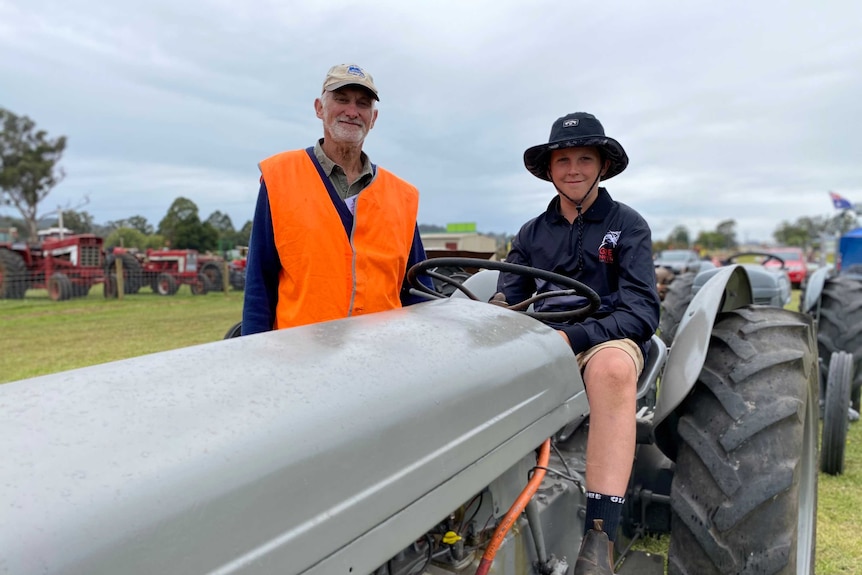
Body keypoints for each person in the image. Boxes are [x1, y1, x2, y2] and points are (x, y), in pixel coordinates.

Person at [492, 112, 660, 571]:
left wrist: (577, 336)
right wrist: (499, 306)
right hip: (546, 334)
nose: (573, 169)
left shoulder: (627, 225)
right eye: (562, 159)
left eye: (584, 158)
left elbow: (641, 311)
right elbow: (513, 295)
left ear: (602, 165)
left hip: (608, 334)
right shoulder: (530, 232)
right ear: (549, 169)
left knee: (611, 369)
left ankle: (599, 535)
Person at [242, 64, 428, 335]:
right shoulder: (280, 176)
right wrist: (255, 356)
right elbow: (260, 282)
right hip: (301, 360)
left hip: (382, 361)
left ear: (373, 118)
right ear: (319, 108)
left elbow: (418, 289)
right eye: (341, 100)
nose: (352, 112)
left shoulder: (402, 195)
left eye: (363, 104)